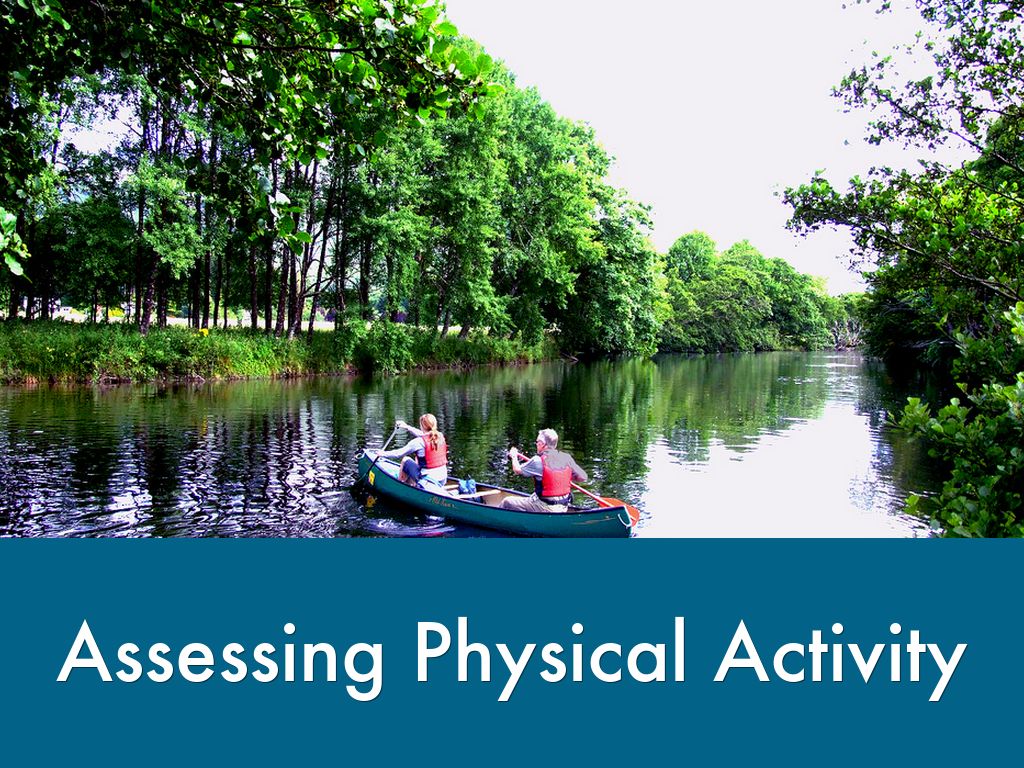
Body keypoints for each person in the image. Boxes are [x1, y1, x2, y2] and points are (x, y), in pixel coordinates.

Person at [501, 428, 588, 513]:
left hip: (546, 508)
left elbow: (517, 470)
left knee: (507, 501)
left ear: (542, 444)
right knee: (533, 496)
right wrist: (564, 477)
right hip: (563, 507)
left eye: (537, 442)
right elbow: (583, 477)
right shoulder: (567, 458)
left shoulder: (537, 460)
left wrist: (514, 456)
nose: (536, 444)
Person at [378, 414, 448, 490]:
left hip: (428, 481)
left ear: (422, 426)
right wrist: (406, 427)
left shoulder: (418, 442)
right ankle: (413, 484)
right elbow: (423, 434)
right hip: (443, 479)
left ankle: (399, 487)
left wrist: (382, 454)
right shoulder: (440, 436)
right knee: (417, 460)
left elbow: (398, 454)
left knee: (405, 460)